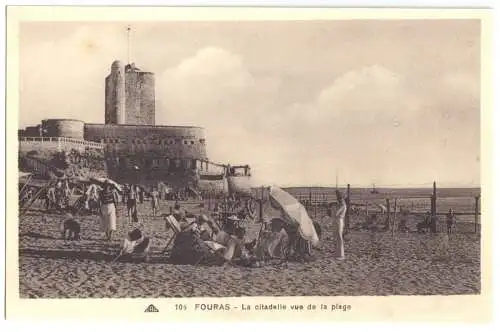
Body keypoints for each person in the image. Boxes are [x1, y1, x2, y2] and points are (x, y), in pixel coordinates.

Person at [334, 190, 347, 260]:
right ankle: (337, 253)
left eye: (339, 198)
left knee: (339, 237)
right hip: (337, 220)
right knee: (336, 236)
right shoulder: (340, 204)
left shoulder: (342, 205)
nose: (338, 199)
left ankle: (341, 254)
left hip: (339, 220)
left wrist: (333, 208)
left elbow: (336, 213)